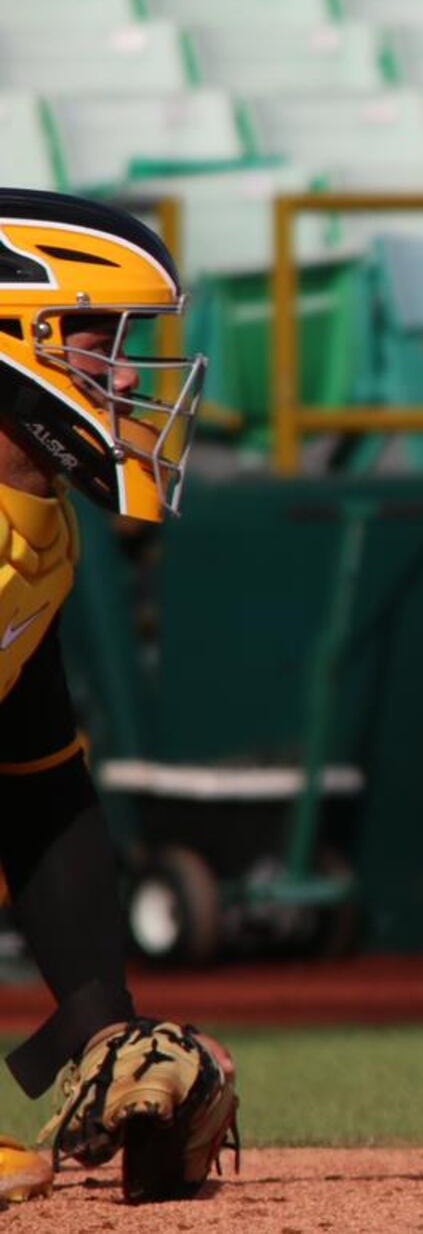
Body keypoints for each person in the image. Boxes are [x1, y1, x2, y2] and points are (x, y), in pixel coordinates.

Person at [0, 189, 238, 1203]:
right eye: (99, 339)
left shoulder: (32, 532)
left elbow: (38, 782)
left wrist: (107, 1026)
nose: (132, 375)